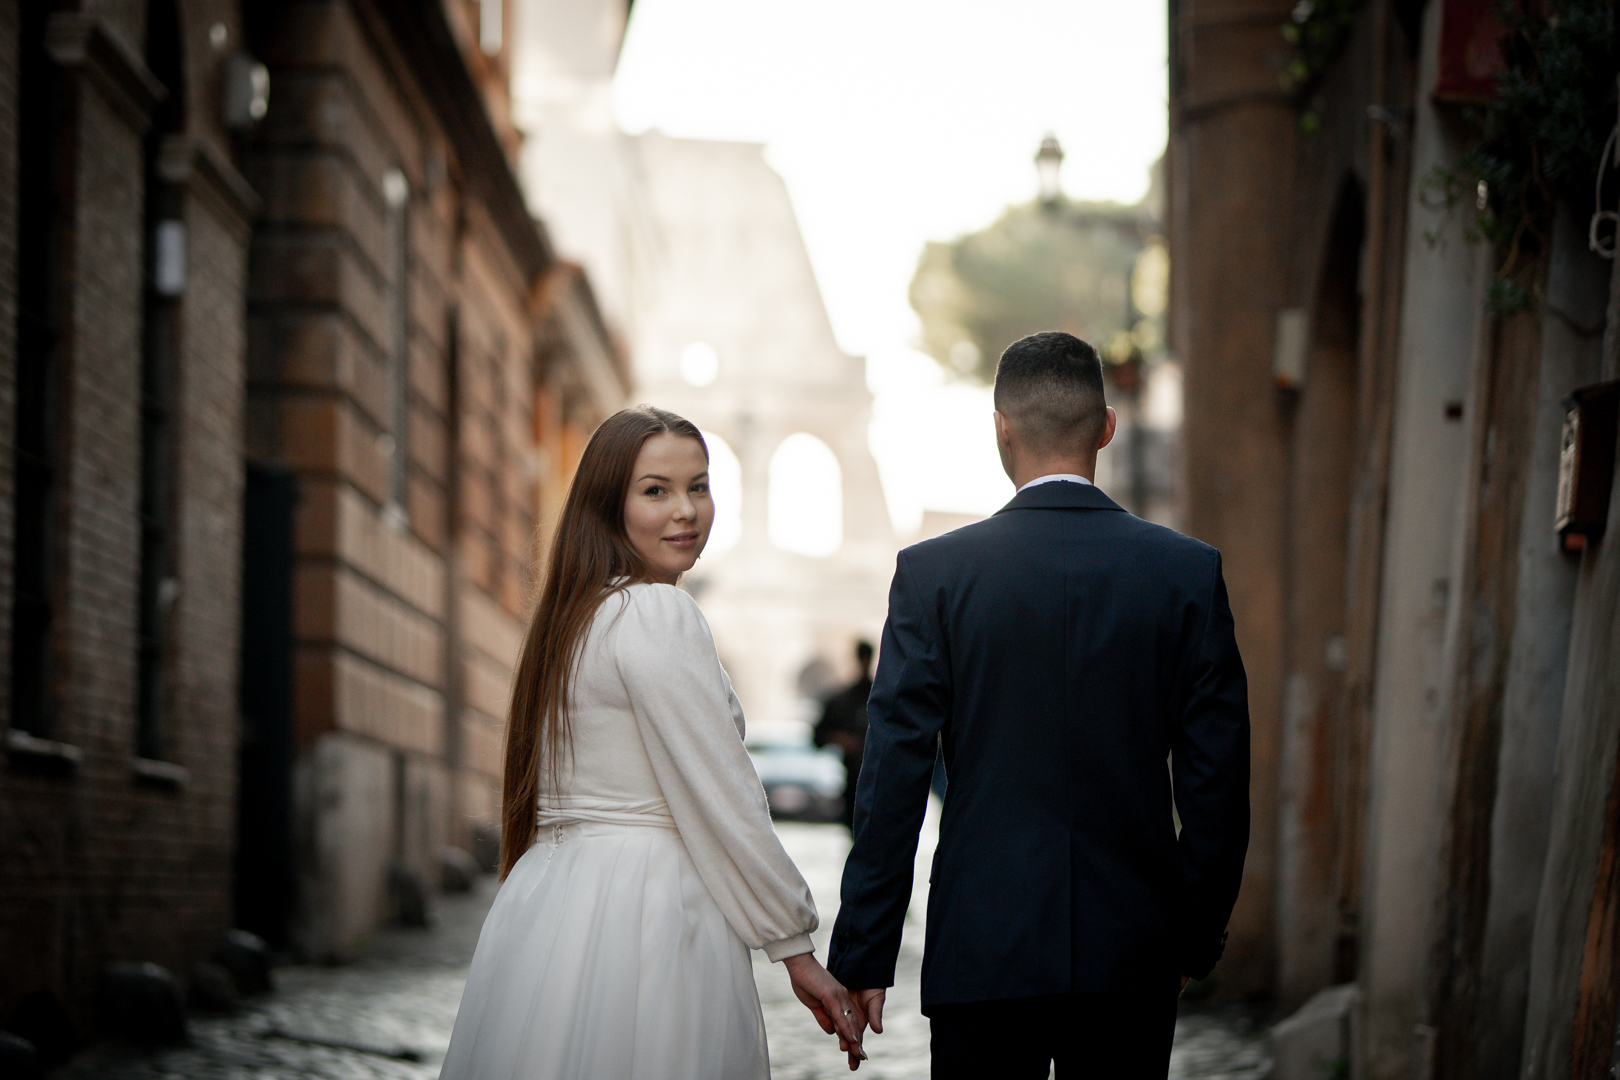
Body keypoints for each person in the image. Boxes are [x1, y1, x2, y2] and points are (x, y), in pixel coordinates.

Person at [827, 332, 1250, 1078]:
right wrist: (1189, 940)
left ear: (1001, 427)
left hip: (983, 950)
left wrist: (864, 954)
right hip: (1132, 951)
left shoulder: (934, 577)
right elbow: (1218, 784)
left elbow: (893, 778)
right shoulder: (1186, 574)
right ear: (1107, 428)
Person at [440, 405, 866, 1079]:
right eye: (656, 490)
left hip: (549, 912)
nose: (686, 511)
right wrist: (794, 948)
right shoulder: (655, 612)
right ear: (609, 506)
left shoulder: (575, 622)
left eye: (698, 486)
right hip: (649, 914)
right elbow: (720, 794)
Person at [813, 640, 874, 831]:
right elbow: (818, 736)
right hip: (855, 778)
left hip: (873, 778)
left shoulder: (875, 696)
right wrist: (841, 740)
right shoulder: (843, 699)